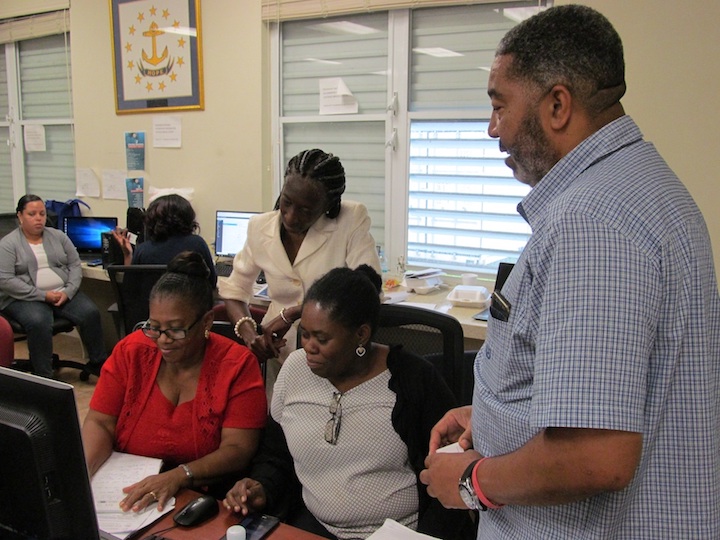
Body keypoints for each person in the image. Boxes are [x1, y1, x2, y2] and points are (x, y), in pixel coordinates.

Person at [419, 5, 720, 539]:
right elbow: (608, 391)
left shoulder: (591, 222)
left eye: (498, 107)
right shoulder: (637, 186)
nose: (493, 130)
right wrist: (489, 418)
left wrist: (471, 482)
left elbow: (596, 456)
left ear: (557, 105)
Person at [223, 265, 475, 540]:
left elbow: (448, 484)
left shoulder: (414, 381)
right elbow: (276, 454)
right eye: (305, 334)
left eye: (322, 338)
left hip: (401, 532)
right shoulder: (294, 369)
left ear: (361, 335)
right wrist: (261, 486)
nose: (308, 346)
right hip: (314, 527)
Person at [82, 251, 266, 512]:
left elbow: (238, 449)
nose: (162, 339)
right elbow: (100, 421)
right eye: (154, 326)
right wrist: (83, 474)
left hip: (205, 497)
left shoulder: (237, 365)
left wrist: (179, 476)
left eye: (176, 329)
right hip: (130, 491)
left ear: (206, 322)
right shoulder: (131, 352)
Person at [218, 149, 381, 395]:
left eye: (306, 210)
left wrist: (291, 314)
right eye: (287, 202)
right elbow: (234, 290)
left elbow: (367, 285)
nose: (291, 216)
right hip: (280, 355)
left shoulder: (350, 219)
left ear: (329, 205)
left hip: (334, 357)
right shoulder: (259, 227)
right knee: (280, 423)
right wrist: (250, 334)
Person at [0, 194, 107, 378]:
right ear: (20, 216)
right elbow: (6, 280)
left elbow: (75, 264)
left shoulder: (58, 236)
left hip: (62, 292)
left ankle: (98, 363)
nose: (38, 218)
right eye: (32, 214)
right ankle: (43, 375)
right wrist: (43, 296)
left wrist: (69, 291)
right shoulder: (8, 244)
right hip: (24, 297)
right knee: (39, 321)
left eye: (42, 213)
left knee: (90, 312)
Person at [113, 194, 217, 288]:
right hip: (189, 308)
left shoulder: (143, 250)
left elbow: (129, 289)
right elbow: (212, 282)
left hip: (153, 308)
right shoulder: (197, 244)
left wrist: (127, 255)